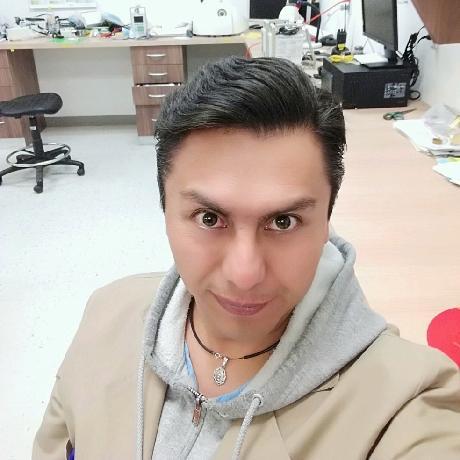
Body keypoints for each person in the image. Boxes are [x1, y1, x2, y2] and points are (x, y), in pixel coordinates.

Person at [33, 57, 460, 460]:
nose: (244, 275)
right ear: (165, 209)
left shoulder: (405, 402)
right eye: (209, 218)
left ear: (327, 218)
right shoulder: (106, 315)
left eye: (283, 222)